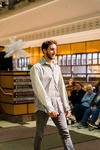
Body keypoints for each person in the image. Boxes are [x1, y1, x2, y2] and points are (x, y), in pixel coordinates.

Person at [30, 40, 74, 150]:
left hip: (58, 104)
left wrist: (66, 106)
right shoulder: (36, 68)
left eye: (55, 49)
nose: (55, 52)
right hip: (43, 106)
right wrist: (49, 107)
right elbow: (39, 90)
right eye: (52, 49)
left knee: (65, 132)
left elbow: (61, 88)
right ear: (44, 51)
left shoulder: (57, 67)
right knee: (39, 134)